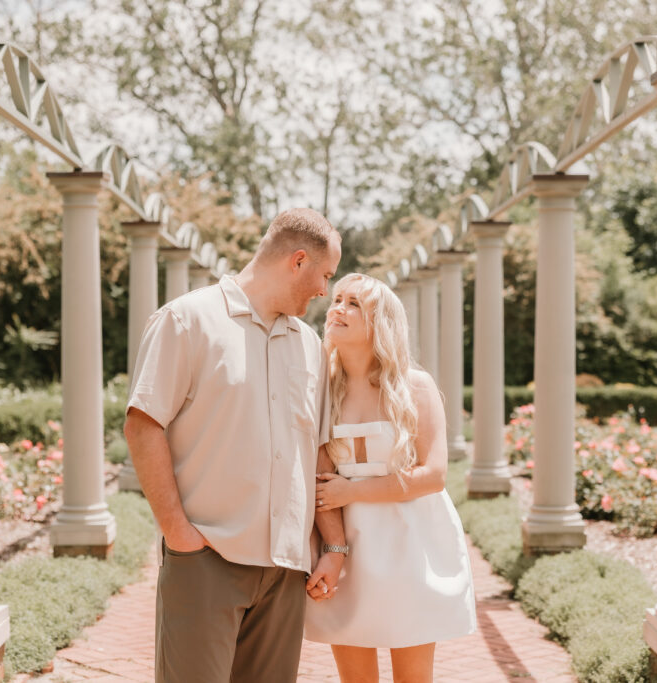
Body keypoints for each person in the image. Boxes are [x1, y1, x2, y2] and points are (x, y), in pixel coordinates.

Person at [122, 208, 346, 683]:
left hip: (287, 572)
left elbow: (318, 452)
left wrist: (333, 545)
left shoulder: (308, 343)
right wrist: (180, 535)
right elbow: (143, 426)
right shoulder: (187, 321)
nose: (325, 290)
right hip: (207, 559)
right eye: (325, 275)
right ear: (298, 260)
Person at [304, 273, 476, 683]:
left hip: (412, 543)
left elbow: (434, 476)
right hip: (347, 544)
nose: (337, 308)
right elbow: (320, 478)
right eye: (337, 299)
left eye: (353, 304)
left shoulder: (415, 387)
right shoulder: (320, 390)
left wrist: (353, 490)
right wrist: (334, 549)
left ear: (380, 322)